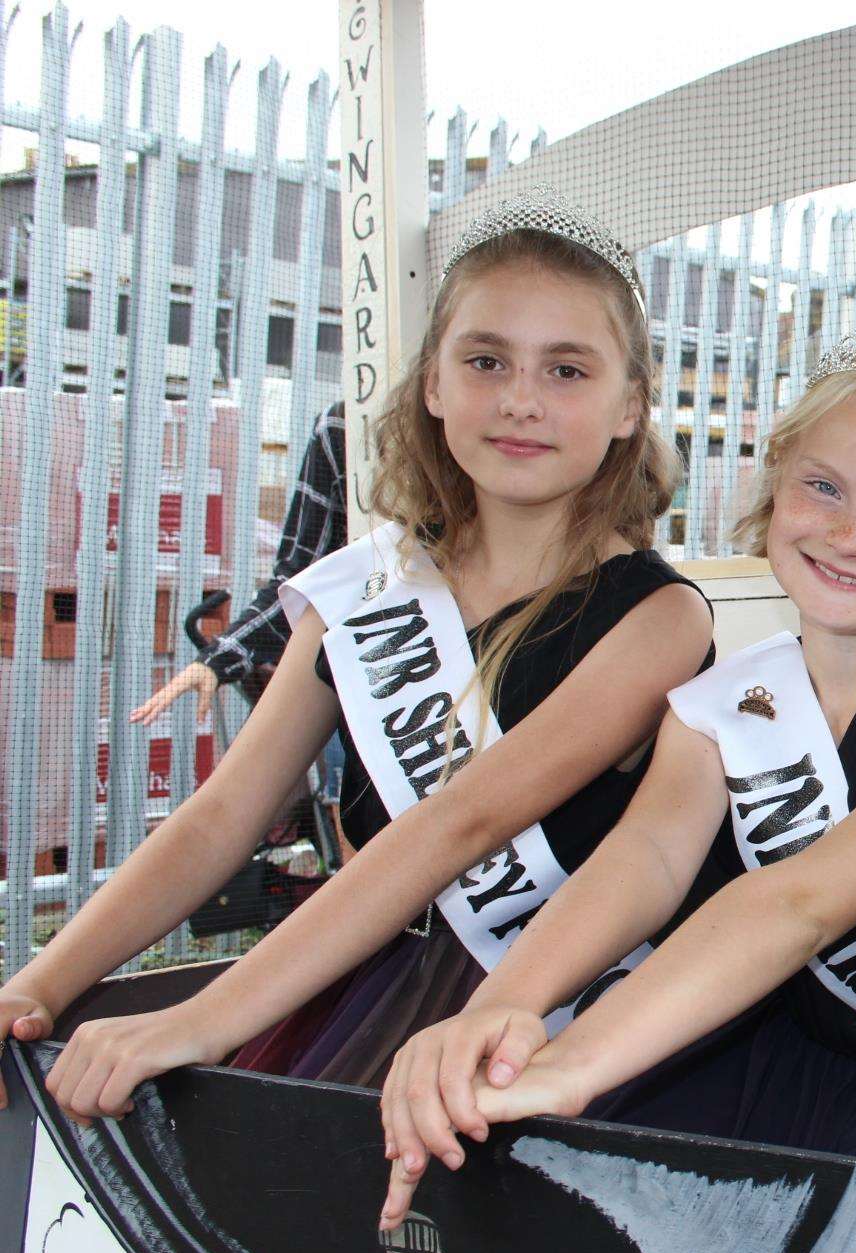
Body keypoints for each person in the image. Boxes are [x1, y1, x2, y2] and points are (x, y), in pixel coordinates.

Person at [376, 305, 856, 1231]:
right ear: (776, 486)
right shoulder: (725, 703)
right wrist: (507, 1006)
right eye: (824, 489)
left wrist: (573, 1063)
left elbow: (800, 902)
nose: (851, 536)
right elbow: (646, 861)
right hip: (780, 1052)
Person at [0, 186, 712, 1112]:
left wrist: (204, 1018)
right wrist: (40, 983)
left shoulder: (658, 618)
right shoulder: (368, 585)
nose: (521, 400)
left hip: (531, 1026)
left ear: (630, 407)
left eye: (567, 370)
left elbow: (460, 826)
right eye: (486, 360)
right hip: (352, 980)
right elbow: (223, 817)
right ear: (433, 385)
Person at [130, 403, 351, 854]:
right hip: (364, 693)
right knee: (368, 873)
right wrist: (219, 660)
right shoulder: (343, 427)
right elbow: (299, 580)